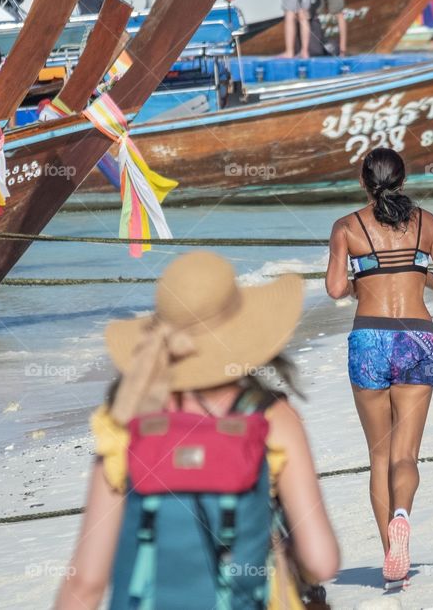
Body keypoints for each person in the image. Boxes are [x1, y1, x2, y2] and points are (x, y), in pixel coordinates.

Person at [54, 251, 340, 609]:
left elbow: (86, 582)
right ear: (241, 330)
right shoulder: (272, 418)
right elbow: (322, 560)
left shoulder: (126, 422)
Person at [325, 149, 433, 582]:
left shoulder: (347, 227)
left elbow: (334, 289)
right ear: (403, 180)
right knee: (406, 455)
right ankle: (403, 514)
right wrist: (421, 275)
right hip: (416, 337)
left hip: (369, 338)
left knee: (378, 455)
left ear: (363, 182)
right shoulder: (427, 221)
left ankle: (390, 553)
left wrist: (360, 281)